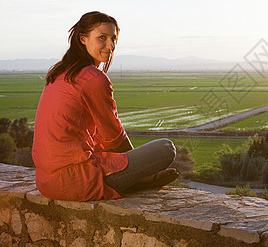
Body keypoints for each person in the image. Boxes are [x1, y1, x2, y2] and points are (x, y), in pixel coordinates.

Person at [32, 11, 178, 201]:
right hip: (77, 181)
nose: (110, 46)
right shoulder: (93, 78)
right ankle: (138, 181)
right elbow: (114, 136)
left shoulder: (60, 74)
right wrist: (140, 169)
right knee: (166, 148)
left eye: (113, 39)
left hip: (46, 181)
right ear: (83, 39)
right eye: (102, 38)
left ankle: (134, 179)